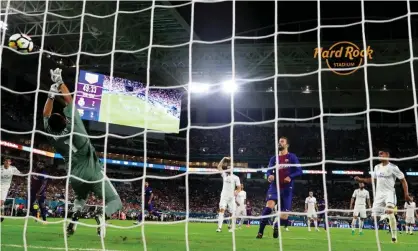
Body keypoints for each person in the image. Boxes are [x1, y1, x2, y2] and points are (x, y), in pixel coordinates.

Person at [43, 68, 122, 237]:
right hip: (91, 169)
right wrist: (59, 82)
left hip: (74, 174)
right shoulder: (74, 126)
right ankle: (103, 214)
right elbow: (68, 99)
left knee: (80, 198)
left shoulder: (51, 136)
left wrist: (50, 95)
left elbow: (45, 114)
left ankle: (73, 219)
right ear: (65, 119)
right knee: (115, 201)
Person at [354, 149, 411, 243]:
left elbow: (403, 180)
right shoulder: (376, 167)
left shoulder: (393, 167)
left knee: (389, 211)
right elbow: (372, 180)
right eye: (378, 154)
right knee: (374, 218)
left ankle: (394, 237)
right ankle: (387, 216)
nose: (379, 155)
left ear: (387, 155)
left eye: (381, 154)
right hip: (378, 195)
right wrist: (361, 180)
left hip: (389, 193)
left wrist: (406, 194)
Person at [256, 137, 302, 239]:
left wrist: (290, 176)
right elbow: (269, 171)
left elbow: (299, 171)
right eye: (279, 142)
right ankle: (260, 233)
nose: (279, 143)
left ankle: (276, 225)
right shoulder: (274, 159)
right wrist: (269, 176)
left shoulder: (292, 157)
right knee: (269, 207)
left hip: (287, 189)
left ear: (287, 145)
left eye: (282, 141)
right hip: (275, 186)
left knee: (285, 216)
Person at [216, 157, 241, 232]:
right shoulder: (224, 175)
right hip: (224, 196)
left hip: (231, 197)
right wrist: (223, 158)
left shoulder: (236, 178)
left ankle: (230, 226)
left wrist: (236, 192)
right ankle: (219, 228)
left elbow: (239, 187)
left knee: (232, 212)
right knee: (222, 210)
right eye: (228, 168)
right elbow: (219, 167)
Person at [0, 157, 21, 222]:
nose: (7, 163)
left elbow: (20, 174)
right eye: (6, 161)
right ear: (4, 162)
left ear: (10, 163)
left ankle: (2, 211)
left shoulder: (13, 168)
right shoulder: (0, 168)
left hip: (5, 187)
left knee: (2, 202)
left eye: (8, 162)